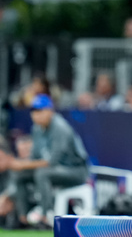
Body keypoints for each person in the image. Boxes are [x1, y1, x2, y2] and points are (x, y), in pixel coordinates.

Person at [5, 95, 89, 228]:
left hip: (76, 171)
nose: (36, 115)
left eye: (40, 110)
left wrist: (21, 164)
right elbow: (35, 157)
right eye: (33, 111)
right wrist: (20, 165)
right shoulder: (37, 129)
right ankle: (23, 219)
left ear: (50, 111)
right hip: (55, 170)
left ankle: (45, 217)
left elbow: (52, 161)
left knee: (42, 173)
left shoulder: (60, 128)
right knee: (19, 176)